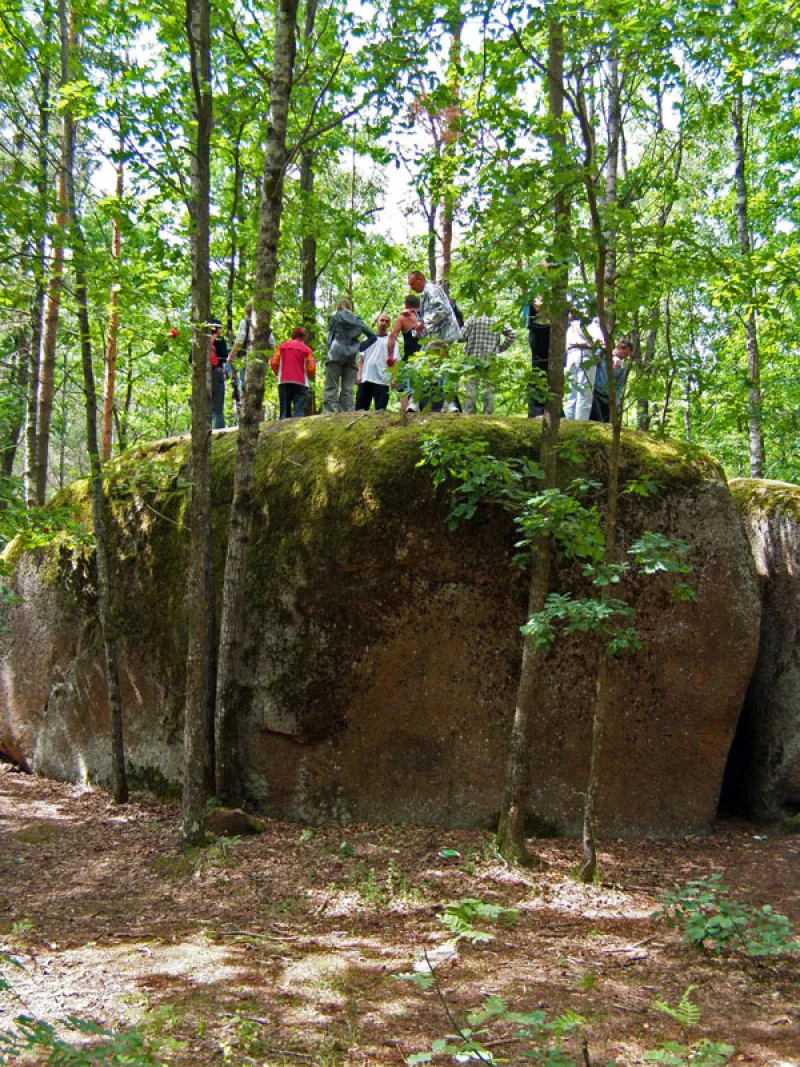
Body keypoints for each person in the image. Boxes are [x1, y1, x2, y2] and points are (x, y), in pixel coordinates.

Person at [407, 270, 462, 411]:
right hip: (434, 337)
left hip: (440, 336)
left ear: (420, 279)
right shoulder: (427, 293)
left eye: (412, 284)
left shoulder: (431, 290)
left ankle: (416, 401)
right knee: (442, 367)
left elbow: (441, 311)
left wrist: (423, 323)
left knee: (419, 365)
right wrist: (418, 331)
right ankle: (447, 403)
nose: (411, 288)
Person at [323, 299, 376, 414]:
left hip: (335, 353)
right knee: (347, 388)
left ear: (338, 308)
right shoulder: (358, 321)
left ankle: (330, 413)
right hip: (351, 356)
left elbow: (330, 337)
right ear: (350, 308)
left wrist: (330, 350)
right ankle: (347, 413)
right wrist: (359, 347)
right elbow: (373, 336)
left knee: (331, 385)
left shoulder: (335, 318)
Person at [461, 310, 515, 414]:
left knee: (470, 387)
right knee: (488, 387)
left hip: (471, 358)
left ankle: (469, 413)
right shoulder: (497, 320)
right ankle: (488, 414)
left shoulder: (472, 319)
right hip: (490, 359)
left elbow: (461, 337)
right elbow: (512, 335)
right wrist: (500, 348)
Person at [564, 310, 604, 420]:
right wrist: (598, 352)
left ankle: (569, 421)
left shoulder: (570, 325)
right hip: (585, 354)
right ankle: (580, 423)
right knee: (585, 393)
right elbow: (599, 342)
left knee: (572, 392)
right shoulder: (590, 323)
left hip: (571, 356)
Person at [387, 294, 422, 414]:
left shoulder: (403, 318)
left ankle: (405, 414)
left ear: (406, 305)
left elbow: (392, 336)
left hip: (412, 357)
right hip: (426, 358)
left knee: (403, 385)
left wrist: (390, 356)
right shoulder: (426, 317)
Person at [270, 327, 315, 419]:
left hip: (284, 381)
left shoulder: (282, 347)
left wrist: (278, 374)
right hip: (301, 383)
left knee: (284, 411)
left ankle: (283, 426)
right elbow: (311, 368)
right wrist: (309, 376)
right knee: (298, 412)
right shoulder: (307, 350)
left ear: (293, 336)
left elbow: (274, 362)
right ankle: (296, 427)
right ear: (303, 337)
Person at [356, 312, 395, 411]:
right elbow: (361, 359)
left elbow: (395, 361)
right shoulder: (367, 339)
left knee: (381, 411)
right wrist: (359, 374)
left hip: (383, 379)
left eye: (387, 321)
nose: (384, 323)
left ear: (389, 324)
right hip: (366, 377)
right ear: (377, 322)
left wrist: (394, 378)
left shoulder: (391, 341)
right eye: (382, 320)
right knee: (360, 409)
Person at [590, 338, 631, 423]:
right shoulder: (603, 355)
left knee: (604, 422)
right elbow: (594, 361)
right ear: (619, 347)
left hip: (608, 398)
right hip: (596, 393)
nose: (624, 356)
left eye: (626, 355)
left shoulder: (622, 367)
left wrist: (616, 403)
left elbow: (618, 387)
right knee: (593, 420)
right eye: (624, 353)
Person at [524, 295, 550, 417]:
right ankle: (536, 410)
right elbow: (537, 306)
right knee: (538, 368)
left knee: (550, 370)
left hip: (551, 330)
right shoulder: (535, 291)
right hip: (538, 330)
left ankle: (552, 408)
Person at [209, 319, 228, 430]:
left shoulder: (201, 340)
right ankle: (219, 432)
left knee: (207, 407)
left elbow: (190, 359)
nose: (221, 330)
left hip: (202, 375)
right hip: (217, 373)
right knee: (218, 409)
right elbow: (225, 357)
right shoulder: (220, 340)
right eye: (220, 328)